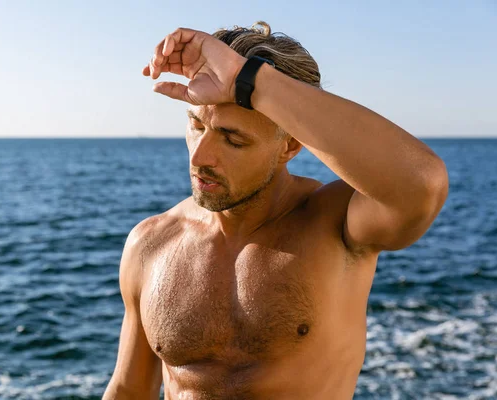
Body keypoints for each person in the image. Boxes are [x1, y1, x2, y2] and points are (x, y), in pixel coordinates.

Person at [102, 21, 449, 400]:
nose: (200, 157)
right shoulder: (150, 242)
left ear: (289, 147)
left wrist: (246, 79)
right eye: (196, 126)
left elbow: (421, 185)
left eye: (233, 139)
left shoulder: (335, 226)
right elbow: (127, 389)